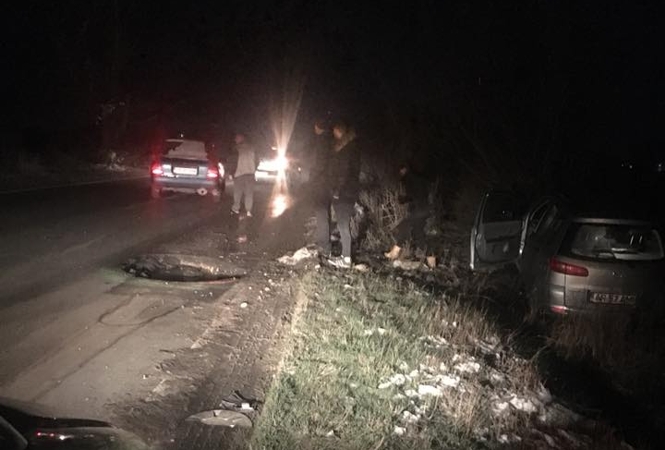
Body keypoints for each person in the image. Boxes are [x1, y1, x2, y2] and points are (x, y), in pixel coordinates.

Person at [315, 120, 361, 269]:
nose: (333, 134)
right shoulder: (351, 148)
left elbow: (343, 173)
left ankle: (346, 259)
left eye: (335, 132)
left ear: (340, 132)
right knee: (342, 224)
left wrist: (337, 190)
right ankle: (345, 256)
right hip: (348, 191)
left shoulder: (346, 150)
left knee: (342, 224)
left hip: (344, 192)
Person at [384, 162, 432, 263]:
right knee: (418, 234)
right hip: (425, 209)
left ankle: (395, 252)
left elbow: (413, 195)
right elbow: (421, 194)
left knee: (404, 226)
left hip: (418, 209)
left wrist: (403, 199)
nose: (400, 173)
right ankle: (431, 258)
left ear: (404, 169)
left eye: (400, 171)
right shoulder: (419, 178)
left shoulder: (410, 178)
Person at [230, 132, 256, 217]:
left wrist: (231, 173)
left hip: (239, 174)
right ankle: (248, 210)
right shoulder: (252, 148)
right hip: (250, 174)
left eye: (236, 138)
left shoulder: (236, 149)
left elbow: (232, 161)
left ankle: (235, 209)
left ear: (240, 139)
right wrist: (253, 168)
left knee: (237, 193)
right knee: (249, 194)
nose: (235, 140)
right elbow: (257, 160)